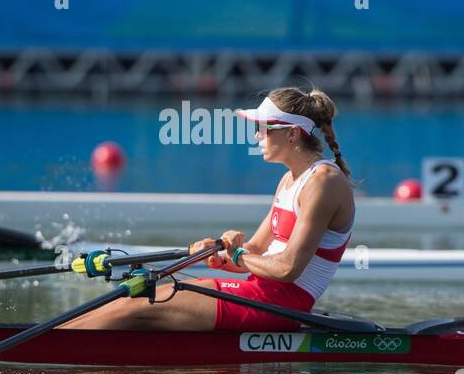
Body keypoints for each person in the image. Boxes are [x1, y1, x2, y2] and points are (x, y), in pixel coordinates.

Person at [65, 87, 354, 331]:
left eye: (262, 128)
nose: (256, 137)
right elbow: (254, 251)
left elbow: (288, 268)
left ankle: (52, 345)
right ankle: (58, 336)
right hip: (260, 294)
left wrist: (237, 254)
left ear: (291, 135)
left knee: (135, 308)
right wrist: (218, 256)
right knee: (128, 299)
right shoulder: (288, 181)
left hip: (281, 306)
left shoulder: (323, 182)